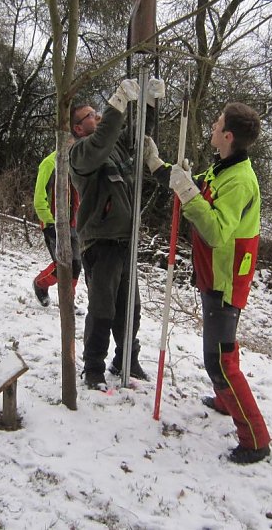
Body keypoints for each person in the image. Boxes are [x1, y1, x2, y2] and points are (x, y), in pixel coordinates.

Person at [144, 101, 272, 464]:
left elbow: (215, 230)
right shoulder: (224, 168)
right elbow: (195, 186)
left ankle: (255, 439)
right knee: (221, 347)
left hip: (226, 278)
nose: (212, 127)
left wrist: (188, 193)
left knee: (219, 360)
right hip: (212, 273)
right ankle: (222, 398)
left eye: (217, 124)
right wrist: (159, 167)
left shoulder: (240, 181)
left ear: (228, 136)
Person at [68, 79, 161, 389]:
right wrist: (116, 104)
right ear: (78, 129)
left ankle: (126, 360)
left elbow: (137, 136)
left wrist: (149, 104)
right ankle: (93, 367)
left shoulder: (113, 149)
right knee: (103, 308)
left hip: (125, 241)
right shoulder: (81, 154)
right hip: (101, 242)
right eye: (90, 115)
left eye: (97, 112)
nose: (96, 117)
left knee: (129, 309)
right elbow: (103, 138)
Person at [32, 150, 82, 307]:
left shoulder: (79, 162)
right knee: (62, 264)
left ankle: (68, 301)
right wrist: (49, 220)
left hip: (75, 224)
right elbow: (39, 197)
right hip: (54, 223)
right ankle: (40, 284)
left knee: (76, 265)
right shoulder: (49, 163)